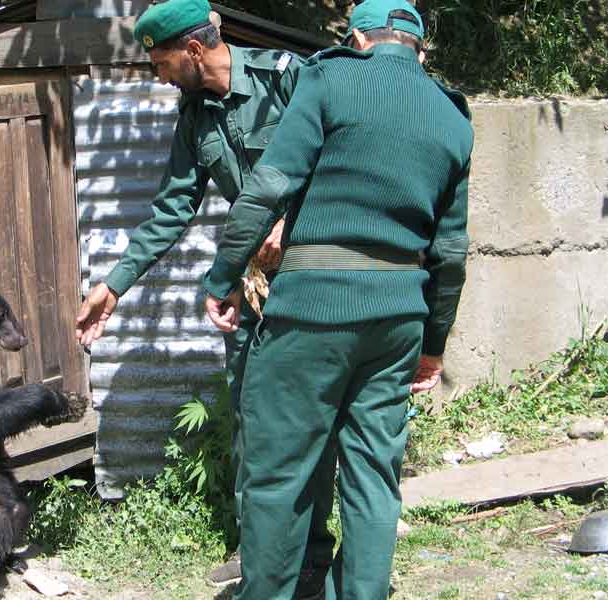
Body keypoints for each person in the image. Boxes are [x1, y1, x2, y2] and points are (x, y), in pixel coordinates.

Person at [201, 0, 474, 598]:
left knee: (279, 474)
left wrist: (223, 277)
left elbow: (269, 185)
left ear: (355, 38)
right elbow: (450, 252)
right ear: (419, 49)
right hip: (399, 318)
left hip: (311, 314)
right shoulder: (454, 118)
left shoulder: (328, 78)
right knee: (375, 475)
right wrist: (433, 345)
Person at [74, 0, 336, 595]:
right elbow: (172, 208)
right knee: (251, 418)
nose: (159, 76)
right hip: (253, 286)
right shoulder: (196, 116)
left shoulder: (287, 77)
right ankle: (261, 554)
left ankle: (316, 555)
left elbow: (336, 157)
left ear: (194, 51)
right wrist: (114, 286)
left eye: (162, 62)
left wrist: (292, 219)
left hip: (318, 278)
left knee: (311, 417)